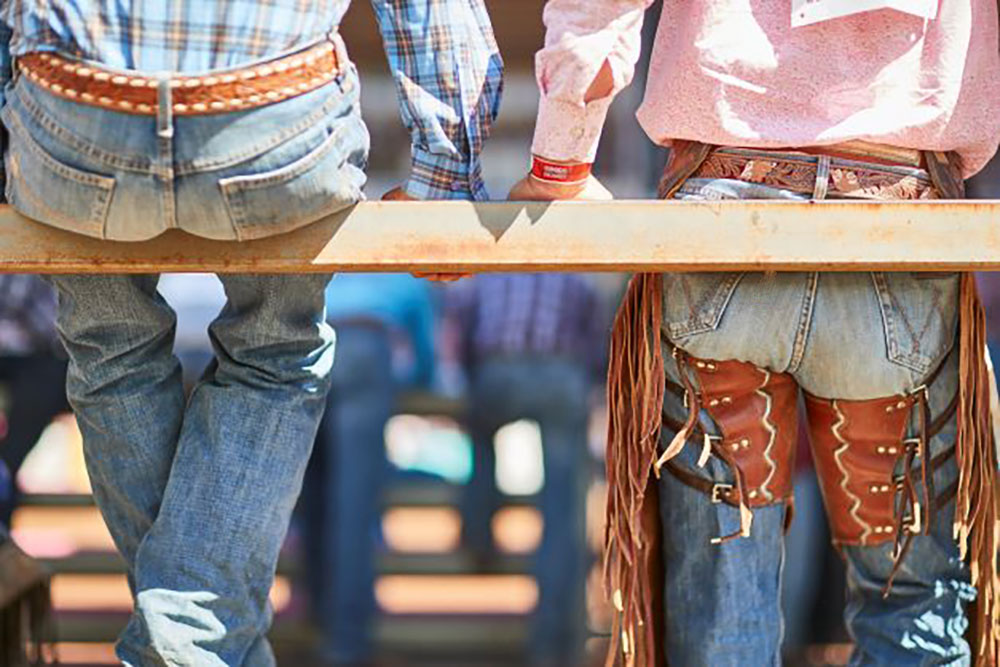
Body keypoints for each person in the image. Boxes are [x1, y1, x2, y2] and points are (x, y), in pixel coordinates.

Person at [0, 1, 502, 663]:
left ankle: (192, 644)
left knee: (109, 352)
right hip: (270, 115)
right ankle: (188, 646)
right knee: (274, 357)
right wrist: (445, 174)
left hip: (75, 108)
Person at [510, 2, 1000, 665]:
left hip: (726, 214)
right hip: (901, 216)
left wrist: (561, 159)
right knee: (911, 606)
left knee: (723, 620)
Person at [448, 273, 607, 665]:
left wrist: (471, 376)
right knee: (561, 516)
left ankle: (478, 531)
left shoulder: (488, 273)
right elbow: (597, 339)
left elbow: (460, 321)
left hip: (498, 371)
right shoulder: (579, 274)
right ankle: (552, 645)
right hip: (561, 376)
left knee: (481, 433)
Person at [298, 273, 436, 665]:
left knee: (310, 498)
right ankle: (346, 639)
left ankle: (316, 617)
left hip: (308, 347)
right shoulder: (398, 264)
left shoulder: (321, 257)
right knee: (354, 504)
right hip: (366, 349)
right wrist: (419, 383)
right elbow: (424, 348)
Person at [0, 275, 68, 530]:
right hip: (34, 351)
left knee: (45, 380)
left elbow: (47, 325)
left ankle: (4, 472)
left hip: (35, 355)